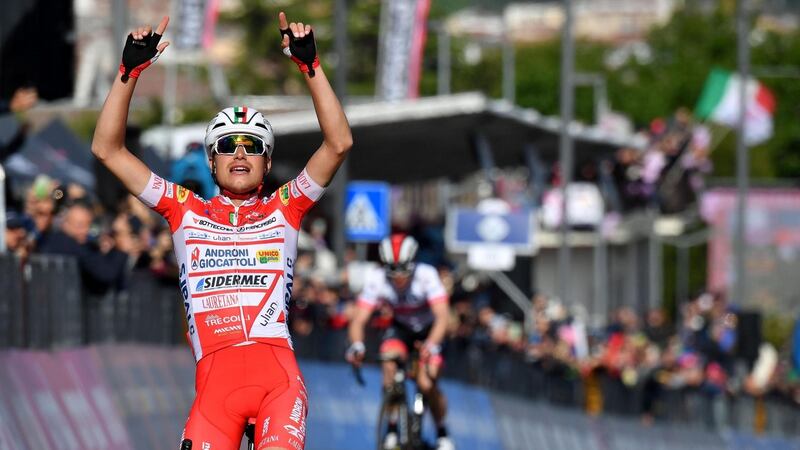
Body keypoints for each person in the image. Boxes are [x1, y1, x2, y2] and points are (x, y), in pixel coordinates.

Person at [91, 13, 352, 450]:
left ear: (267, 164)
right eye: (227, 145)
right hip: (215, 389)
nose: (240, 152)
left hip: (277, 382)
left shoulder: (286, 206)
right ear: (211, 162)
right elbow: (107, 149)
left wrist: (311, 68)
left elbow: (338, 144)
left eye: (254, 146)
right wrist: (127, 74)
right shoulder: (182, 209)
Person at [346, 234, 455, 450]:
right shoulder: (376, 278)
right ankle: (393, 428)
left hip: (429, 330)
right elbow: (359, 319)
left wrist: (431, 345)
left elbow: (443, 317)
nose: (398, 278)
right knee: (389, 362)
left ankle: (442, 431)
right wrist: (357, 345)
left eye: (403, 271)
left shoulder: (427, 275)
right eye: (392, 271)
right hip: (400, 328)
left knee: (426, 382)